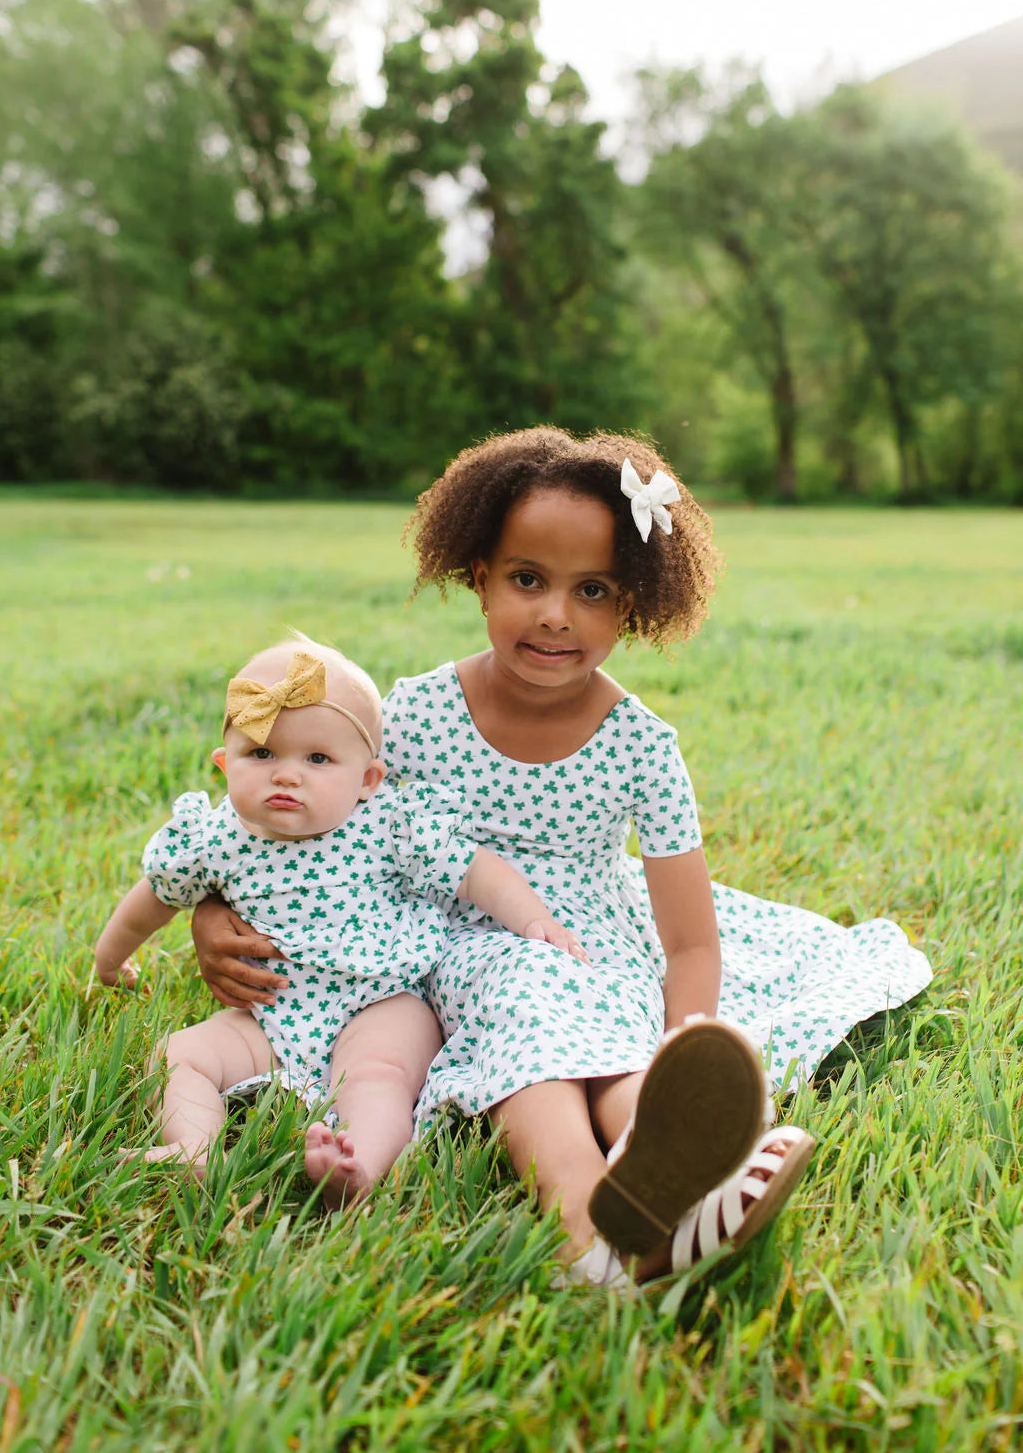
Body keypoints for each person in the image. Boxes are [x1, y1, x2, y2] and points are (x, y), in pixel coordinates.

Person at [193, 428, 931, 1284]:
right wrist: (213, 913)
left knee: (611, 1050)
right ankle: (593, 1233)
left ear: (634, 605)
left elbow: (689, 943)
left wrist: (682, 1043)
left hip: (598, 945)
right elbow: (288, 819)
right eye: (528, 580)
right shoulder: (416, 715)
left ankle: (679, 1148)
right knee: (531, 1023)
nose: (555, 613)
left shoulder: (641, 744)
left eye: (593, 590)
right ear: (479, 577)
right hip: (452, 946)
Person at [95, 638, 597, 1206]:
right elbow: (154, 897)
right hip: (272, 1011)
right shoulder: (214, 840)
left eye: (317, 759)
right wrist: (109, 961)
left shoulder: (389, 827)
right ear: (223, 763)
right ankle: (194, 1148)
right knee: (178, 1054)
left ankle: (359, 1163)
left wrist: (535, 921)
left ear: (367, 780)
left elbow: (476, 871)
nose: (287, 776)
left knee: (381, 1076)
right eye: (262, 755)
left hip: (382, 1002)